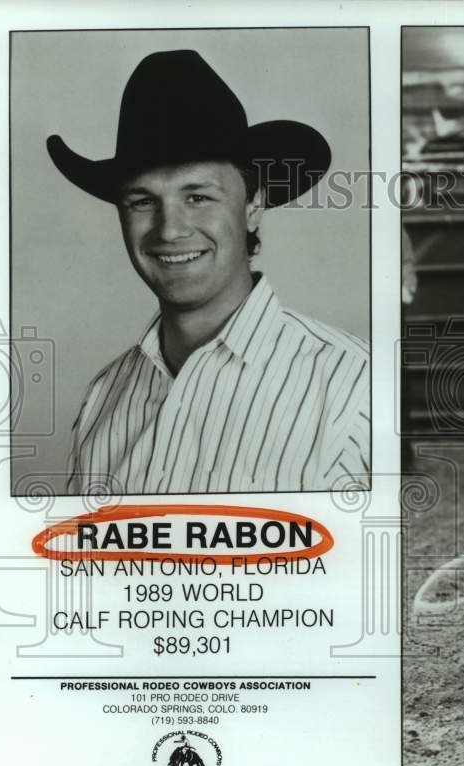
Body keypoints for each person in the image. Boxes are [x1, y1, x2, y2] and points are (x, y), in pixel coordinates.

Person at [49, 50, 369, 494]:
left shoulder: (355, 385)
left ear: (253, 205)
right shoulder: (105, 398)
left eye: (197, 196)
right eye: (143, 201)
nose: (170, 228)